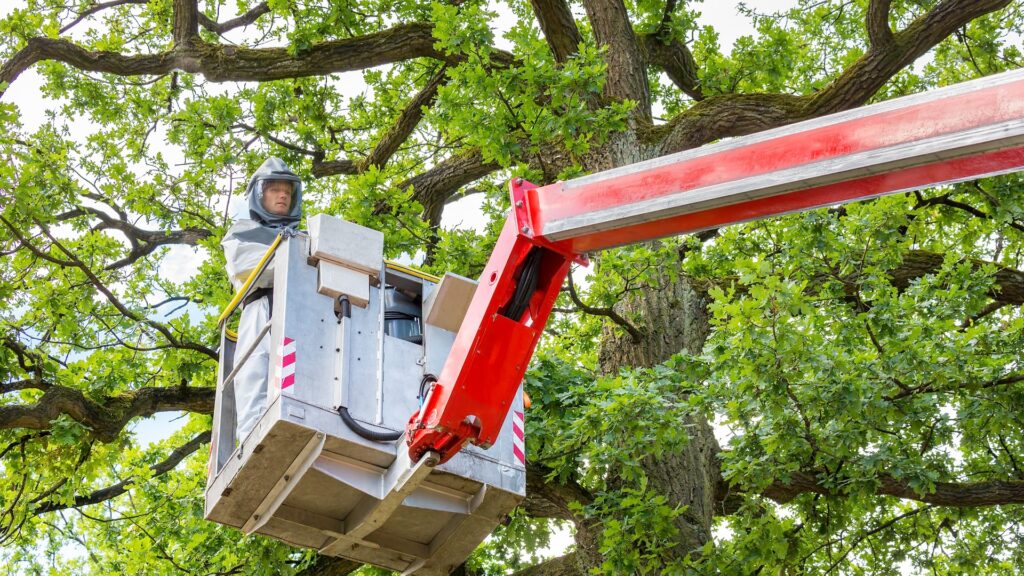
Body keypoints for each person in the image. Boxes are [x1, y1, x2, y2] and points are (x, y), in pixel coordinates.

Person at [221, 157, 303, 441]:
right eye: (274, 189)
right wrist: (295, 256)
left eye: (287, 191)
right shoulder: (242, 233)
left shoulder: (303, 236)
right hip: (261, 308)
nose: (282, 195)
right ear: (259, 195)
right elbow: (248, 268)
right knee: (255, 372)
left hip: (301, 311)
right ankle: (252, 439)